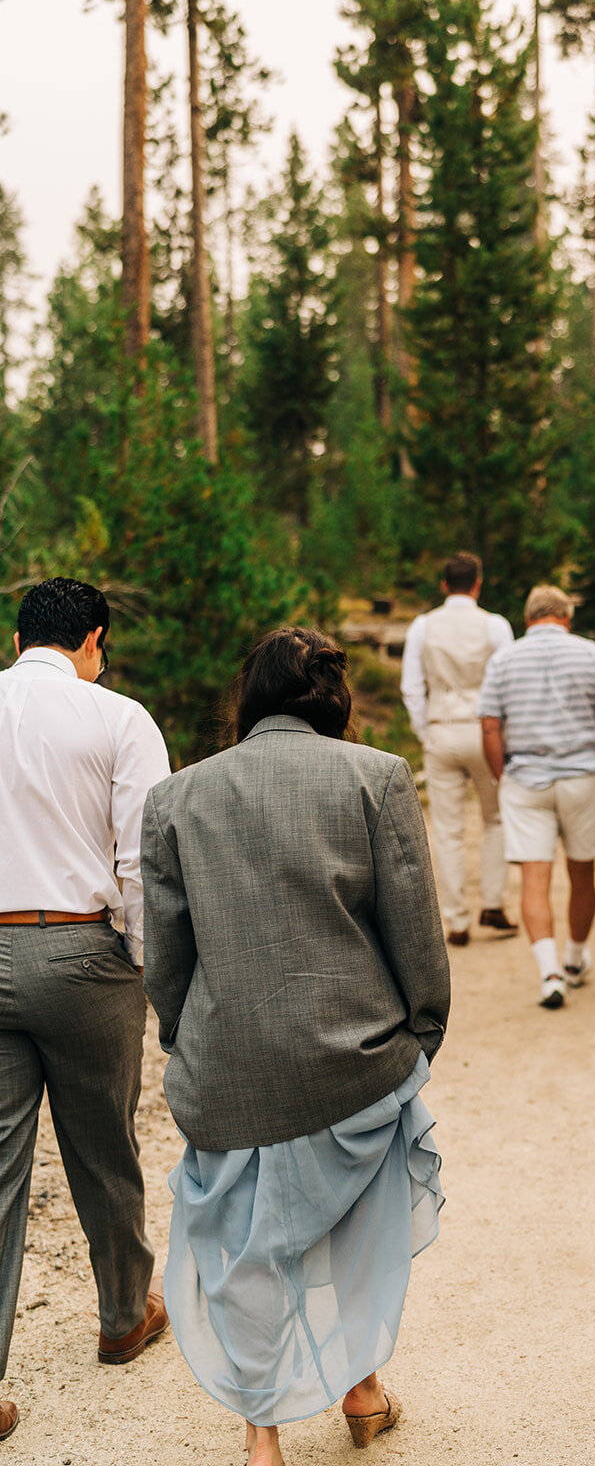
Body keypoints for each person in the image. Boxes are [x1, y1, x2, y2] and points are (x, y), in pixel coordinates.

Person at [141, 627, 449, 1466]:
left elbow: (166, 957)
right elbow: (414, 933)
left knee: (244, 1247)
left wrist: (190, 1039)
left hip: (228, 1061)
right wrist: (418, 1035)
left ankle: (261, 1438)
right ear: (332, 699)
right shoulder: (377, 777)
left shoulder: (176, 797)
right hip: (355, 1057)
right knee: (355, 1225)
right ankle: (360, 1392)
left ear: (249, 700)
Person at [0, 577, 172, 1441]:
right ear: (93, 641)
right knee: (105, 1145)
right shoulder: (118, 718)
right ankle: (120, 1316)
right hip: (79, 951)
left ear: (18, 633)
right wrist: (145, 962)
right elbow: (143, 859)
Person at [479, 585, 595, 1008]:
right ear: (566, 617)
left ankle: (549, 973)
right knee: (581, 873)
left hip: (526, 779)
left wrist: (505, 778)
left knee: (534, 880)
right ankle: (574, 959)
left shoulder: (503, 660)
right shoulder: (593, 653)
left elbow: (489, 726)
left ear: (528, 619)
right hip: (582, 777)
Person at [401, 550, 518, 946]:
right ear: (478, 584)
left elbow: (412, 687)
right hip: (485, 731)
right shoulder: (495, 626)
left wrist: (426, 730)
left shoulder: (422, 626)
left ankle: (456, 920)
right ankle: (493, 903)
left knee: (448, 830)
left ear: (444, 585)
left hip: (442, 728)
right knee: (495, 819)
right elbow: (508, 684)